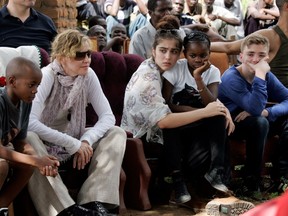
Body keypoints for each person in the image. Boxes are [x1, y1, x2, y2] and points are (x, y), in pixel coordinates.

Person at [121, 25, 236, 206]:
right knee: (182, 126)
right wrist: (207, 112)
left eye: (174, 51)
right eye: (163, 50)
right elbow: (166, 119)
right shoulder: (148, 78)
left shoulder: (158, 68)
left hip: (162, 125)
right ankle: (180, 181)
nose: (168, 57)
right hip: (143, 136)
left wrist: (220, 110)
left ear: (180, 53)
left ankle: (215, 175)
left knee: (217, 122)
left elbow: (209, 101)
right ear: (153, 50)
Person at [26, 29, 126, 216]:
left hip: (76, 136)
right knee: (29, 137)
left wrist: (86, 141)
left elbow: (107, 116)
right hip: (46, 140)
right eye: (79, 55)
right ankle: (66, 210)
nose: (87, 59)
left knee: (116, 132)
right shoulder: (47, 75)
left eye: (88, 53)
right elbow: (30, 122)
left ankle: (94, 201)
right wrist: (73, 144)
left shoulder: (88, 75)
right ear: (62, 57)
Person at [161, 30, 235, 201]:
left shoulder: (213, 71)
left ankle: (216, 171)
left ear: (209, 53)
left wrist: (198, 78)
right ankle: (178, 181)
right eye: (193, 55)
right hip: (180, 120)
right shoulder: (175, 69)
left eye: (203, 55)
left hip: (202, 121)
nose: (198, 60)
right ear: (185, 54)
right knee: (169, 125)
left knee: (218, 117)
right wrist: (199, 113)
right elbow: (166, 104)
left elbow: (211, 102)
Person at [218, 34, 288, 198]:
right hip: (232, 124)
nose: (255, 60)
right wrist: (260, 76)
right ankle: (251, 182)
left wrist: (268, 111)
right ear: (241, 56)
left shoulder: (267, 76)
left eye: (261, 55)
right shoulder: (231, 78)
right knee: (260, 122)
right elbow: (256, 109)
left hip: (256, 118)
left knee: (271, 120)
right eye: (250, 54)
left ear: (267, 58)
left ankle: (283, 177)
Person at [0, 57, 59, 215]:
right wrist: (36, 160)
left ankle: (2, 207)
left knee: (27, 167)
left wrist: (41, 161)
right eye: (31, 85)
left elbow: (20, 140)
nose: (35, 91)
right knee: (2, 166)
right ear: (12, 81)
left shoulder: (25, 102)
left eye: (38, 85)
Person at [210, 0, 288, 88]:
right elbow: (229, 47)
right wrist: (193, 45)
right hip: (276, 98)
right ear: (287, 6)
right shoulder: (271, 37)